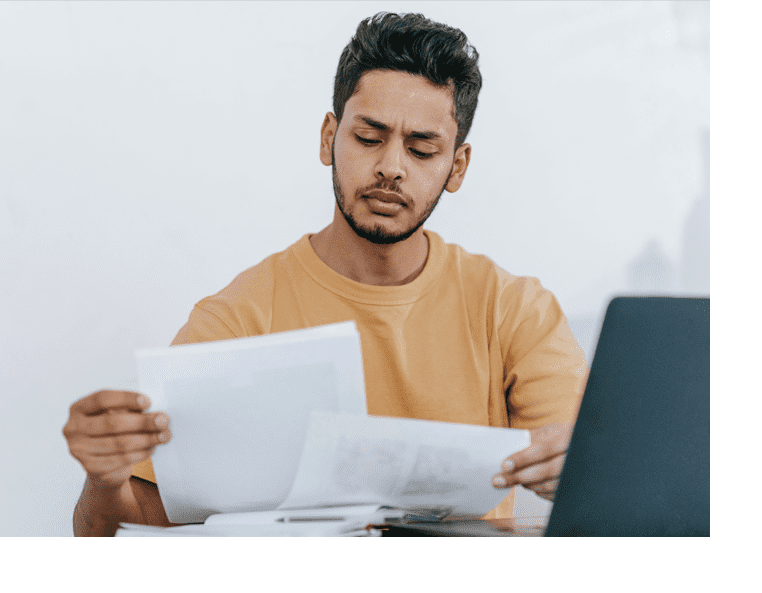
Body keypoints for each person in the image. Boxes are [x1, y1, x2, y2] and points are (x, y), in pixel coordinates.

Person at [63, 12, 587, 537]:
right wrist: (104, 482)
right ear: (328, 138)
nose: (392, 167)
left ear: (457, 167)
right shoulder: (240, 317)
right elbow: (115, 538)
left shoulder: (514, 310)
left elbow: (586, 484)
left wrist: (580, 470)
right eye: (368, 137)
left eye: (422, 148)